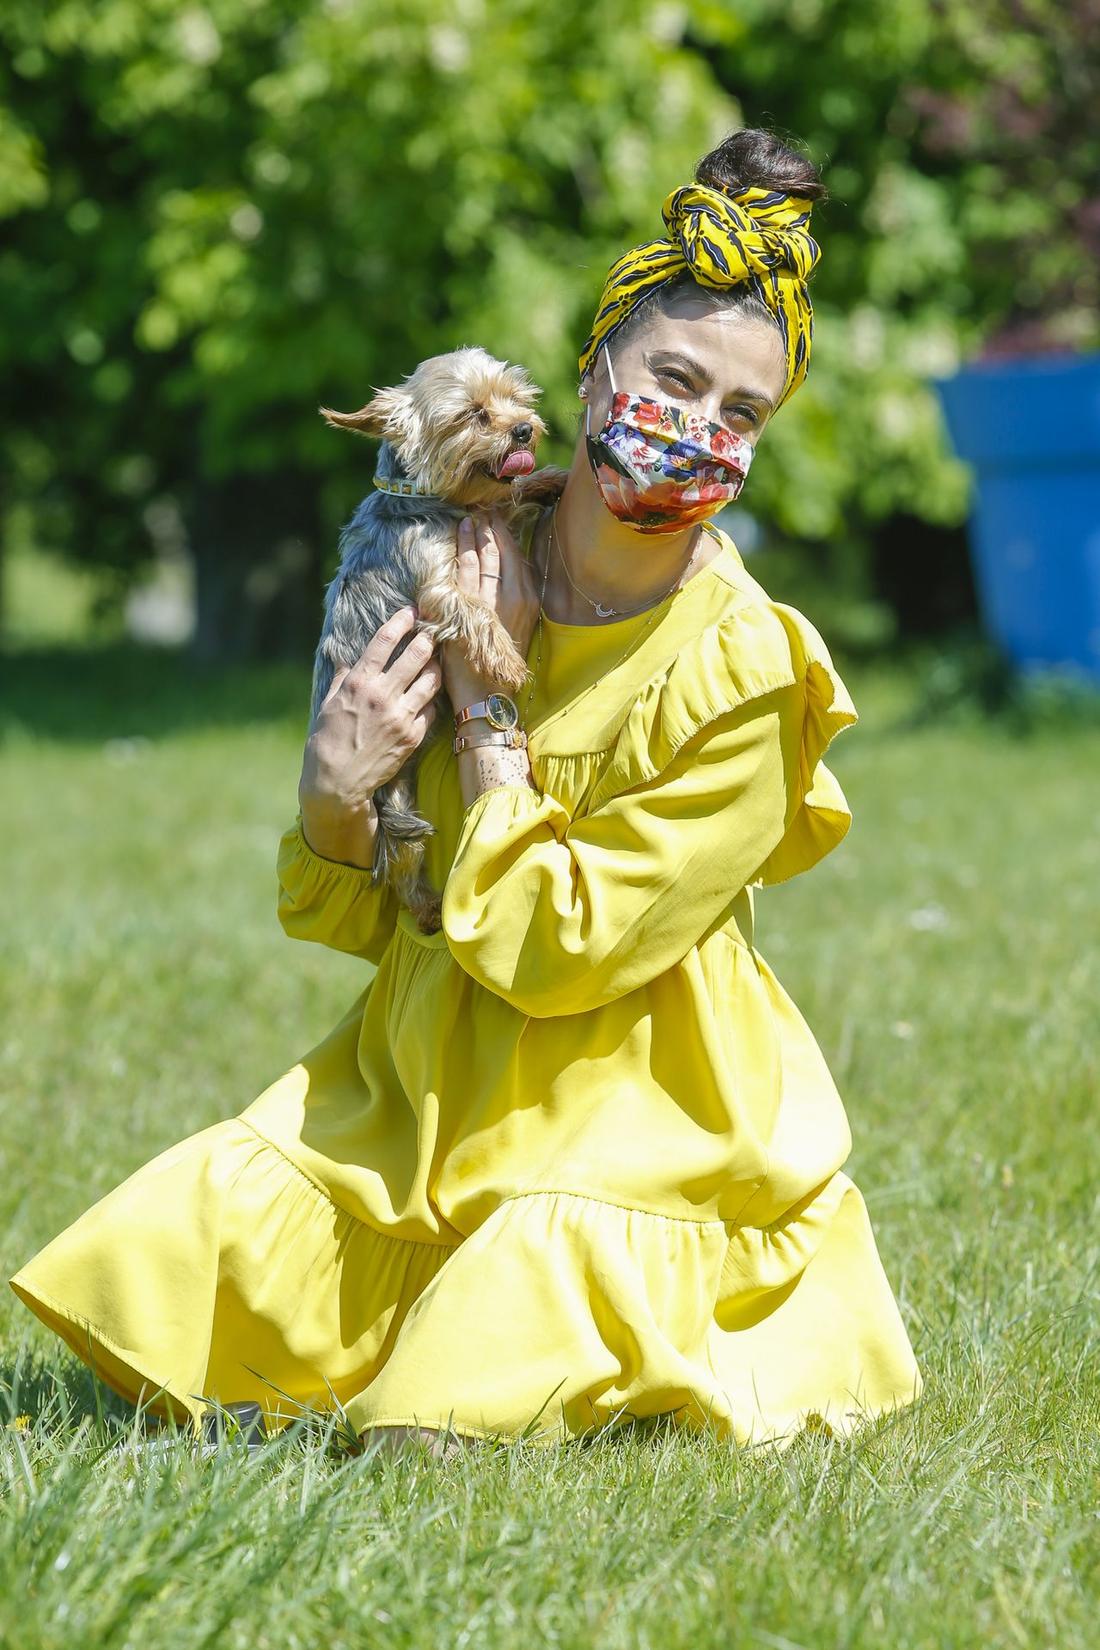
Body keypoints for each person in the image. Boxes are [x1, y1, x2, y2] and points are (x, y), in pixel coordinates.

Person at [9, 129, 921, 1461]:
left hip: (630, 1096)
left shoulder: (749, 665)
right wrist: (333, 795)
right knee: (177, 1251)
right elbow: (381, 916)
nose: (698, 430)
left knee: (464, 1373)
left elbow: (563, 952)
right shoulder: (445, 558)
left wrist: (491, 717)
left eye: (742, 415)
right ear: (594, 370)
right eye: (673, 379)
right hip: (427, 1077)